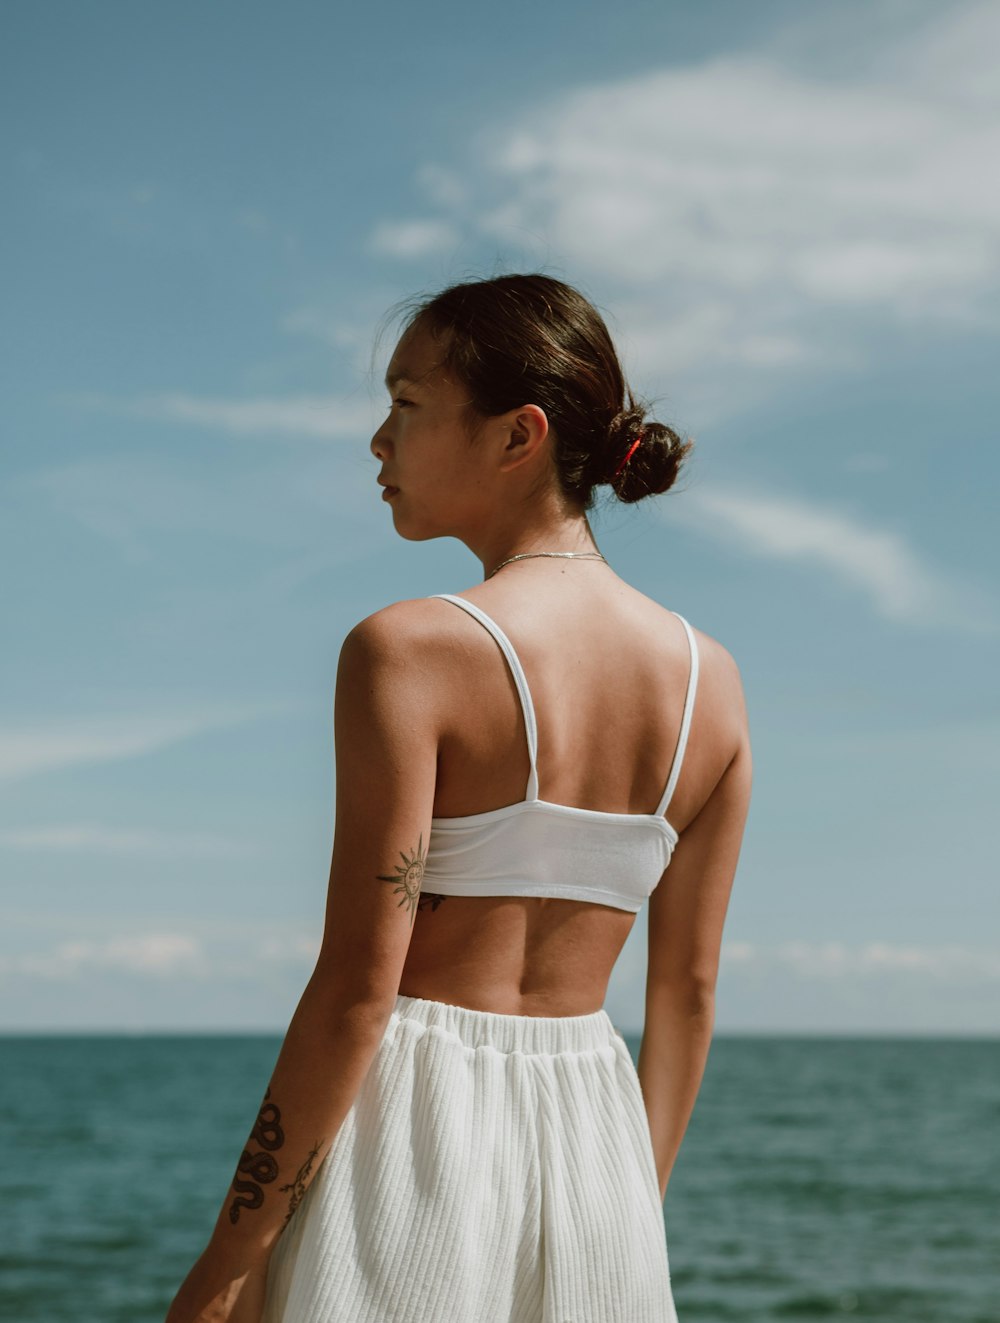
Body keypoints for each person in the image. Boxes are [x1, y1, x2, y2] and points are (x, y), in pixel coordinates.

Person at [165, 273, 751, 1323]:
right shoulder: (711, 681)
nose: (377, 441)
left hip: (412, 1135)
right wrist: (627, 1210)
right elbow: (687, 997)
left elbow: (357, 989)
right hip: (598, 1147)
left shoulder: (411, 650)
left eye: (405, 402)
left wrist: (226, 1265)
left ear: (516, 435)